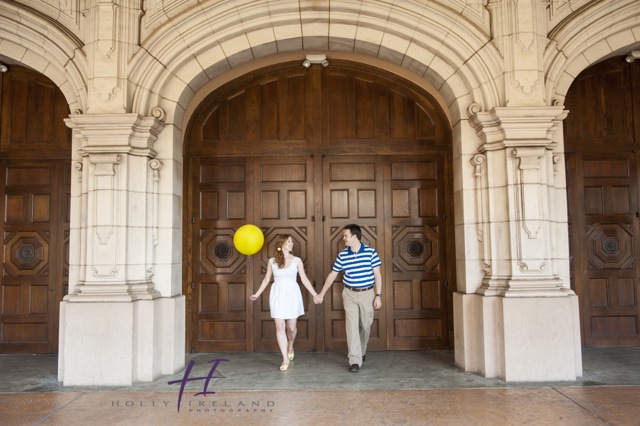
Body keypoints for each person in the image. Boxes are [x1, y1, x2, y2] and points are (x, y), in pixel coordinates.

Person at [314, 224, 382, 373]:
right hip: (349, 293)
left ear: (354, 237)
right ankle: (355, 360)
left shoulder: (370, 253)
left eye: (345, 236)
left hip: (367, 293)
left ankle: (362, 351)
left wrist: (378, 295)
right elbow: (333, 275)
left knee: (365, 325)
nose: (343, 238)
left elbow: (377, 275)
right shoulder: (343, 255)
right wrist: (321, 294)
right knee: (351, 326)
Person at [250, 234, 317, 371]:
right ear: (281, 244)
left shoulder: (297, 261)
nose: (291, 243)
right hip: (278, 294)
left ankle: (290, 345)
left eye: (291, 241)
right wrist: (257, 294)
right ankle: (285, 358)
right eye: (288, 242)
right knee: (280, 327)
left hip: (292, 295)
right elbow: (266, 279)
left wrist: (315, 294)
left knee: (291, 329)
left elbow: (304, 279)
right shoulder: (272, 261)